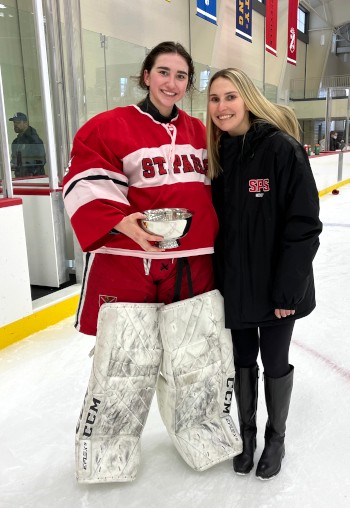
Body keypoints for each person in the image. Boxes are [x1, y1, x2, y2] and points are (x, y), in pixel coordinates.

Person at [63, 42, 241, 483]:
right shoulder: (109, 126)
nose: (172, 83)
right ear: (146, 75)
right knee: (125, 362)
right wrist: (124, 223)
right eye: (164, 72)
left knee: (197, 358)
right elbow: (83, 180)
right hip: (130, 265)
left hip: (193, 265)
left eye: (181, 76)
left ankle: (203, 431)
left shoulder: (203, 132)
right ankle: (106, 452)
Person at [206, 68, 322, 480]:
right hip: (237, 286)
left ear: (248, 99)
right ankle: (248, 436)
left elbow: (304, 225)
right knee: (241, 360)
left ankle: (276, 438)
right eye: (215, 99)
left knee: (274, 362)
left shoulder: (281, 149)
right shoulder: (220, 155)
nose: (222, 107)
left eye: (230, 97)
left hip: (277, 290)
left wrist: (287, 293)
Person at [9, 112, 46, 177]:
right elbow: (15, 161)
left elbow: (41, 161)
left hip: (34, 180)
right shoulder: (16, 142)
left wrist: (29, 172)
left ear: (26, 123)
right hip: (20, 179)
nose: (15, 125)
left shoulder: (33, 140)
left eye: (18, 122)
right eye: (14, 122)